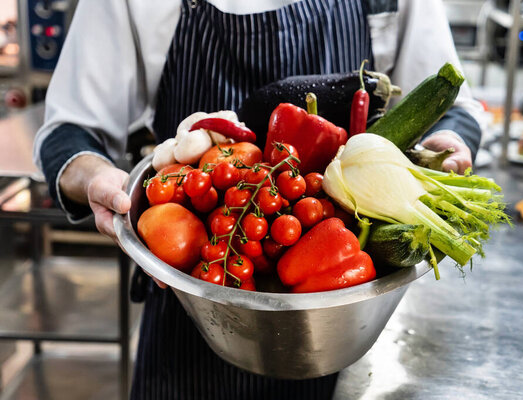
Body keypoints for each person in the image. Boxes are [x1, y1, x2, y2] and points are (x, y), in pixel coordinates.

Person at [33, 0, 483, 398]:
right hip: (192, 303)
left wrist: (450, 145)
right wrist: (97, 179)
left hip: (348, 323)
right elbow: (69, 131)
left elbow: (454, 107)